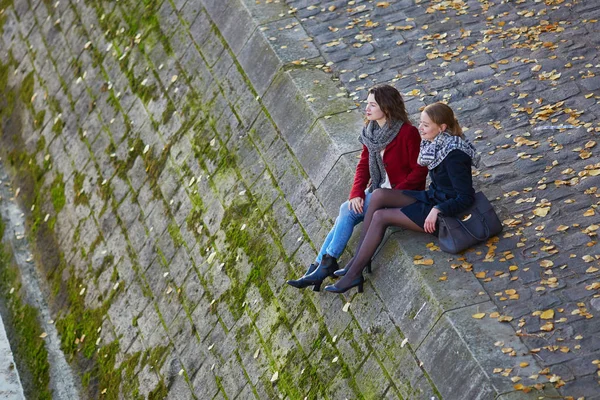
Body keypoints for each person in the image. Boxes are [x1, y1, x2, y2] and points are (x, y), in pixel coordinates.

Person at [324, 102, 480, 294]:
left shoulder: (454, 153)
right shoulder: (434, 146)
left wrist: (438, 209)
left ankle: (354, 272)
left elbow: (466, 197)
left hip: (446, 214)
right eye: (421, 123)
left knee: (381, 217)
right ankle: (357, 262)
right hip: (432, 198)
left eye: (426, 125)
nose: (420, 129)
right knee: (379, 195)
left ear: (442, 128)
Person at [287, 85, 427, 292]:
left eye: (372, 105)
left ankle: (323, 265)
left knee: (345, 211)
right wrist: (356, 194)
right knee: (347, 209)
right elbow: (363, 166)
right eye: (367, 104)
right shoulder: (370, 132)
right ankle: (319, 266)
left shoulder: (408, 133)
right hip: (378, 190)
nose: (367, 108)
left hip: (402, 194)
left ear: (386, 108)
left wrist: (393, 193)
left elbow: (420, 171)